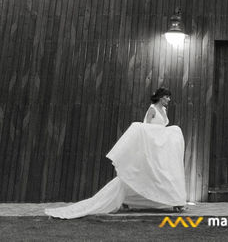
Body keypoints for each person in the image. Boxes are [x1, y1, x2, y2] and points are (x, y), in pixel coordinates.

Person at [45, 87, 187, 218]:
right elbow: (146, 128)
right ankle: (134, 199)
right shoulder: (152, 110)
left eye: (169, 97)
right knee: (147, 171)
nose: (169, 100)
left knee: (161, 171)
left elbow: (162, 127)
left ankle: (169, 200)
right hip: (149, 144)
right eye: (167, 97)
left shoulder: (164, 110)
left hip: (158, 146)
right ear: (161, 97)